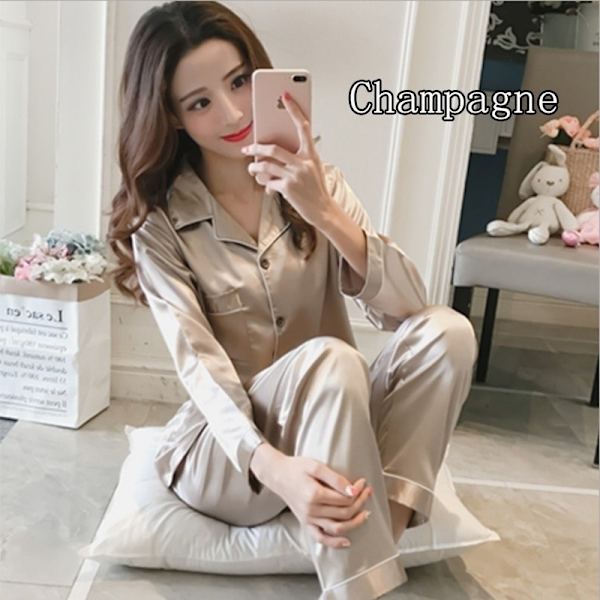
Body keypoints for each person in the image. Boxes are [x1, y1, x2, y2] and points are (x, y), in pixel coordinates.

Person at [106, 2, 478, 599]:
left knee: (449, 331)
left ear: (261, 75)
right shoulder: (159, 223)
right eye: (200, 102)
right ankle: (364, 583)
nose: (233, 113)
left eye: (238, 82)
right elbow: (199, 367)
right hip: (232, 456)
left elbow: (410, 309)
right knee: (331, 357)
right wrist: (276, 469)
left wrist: (323, 212)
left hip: (333, 416)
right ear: (171, 117)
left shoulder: (317, 185)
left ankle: (375, 537)